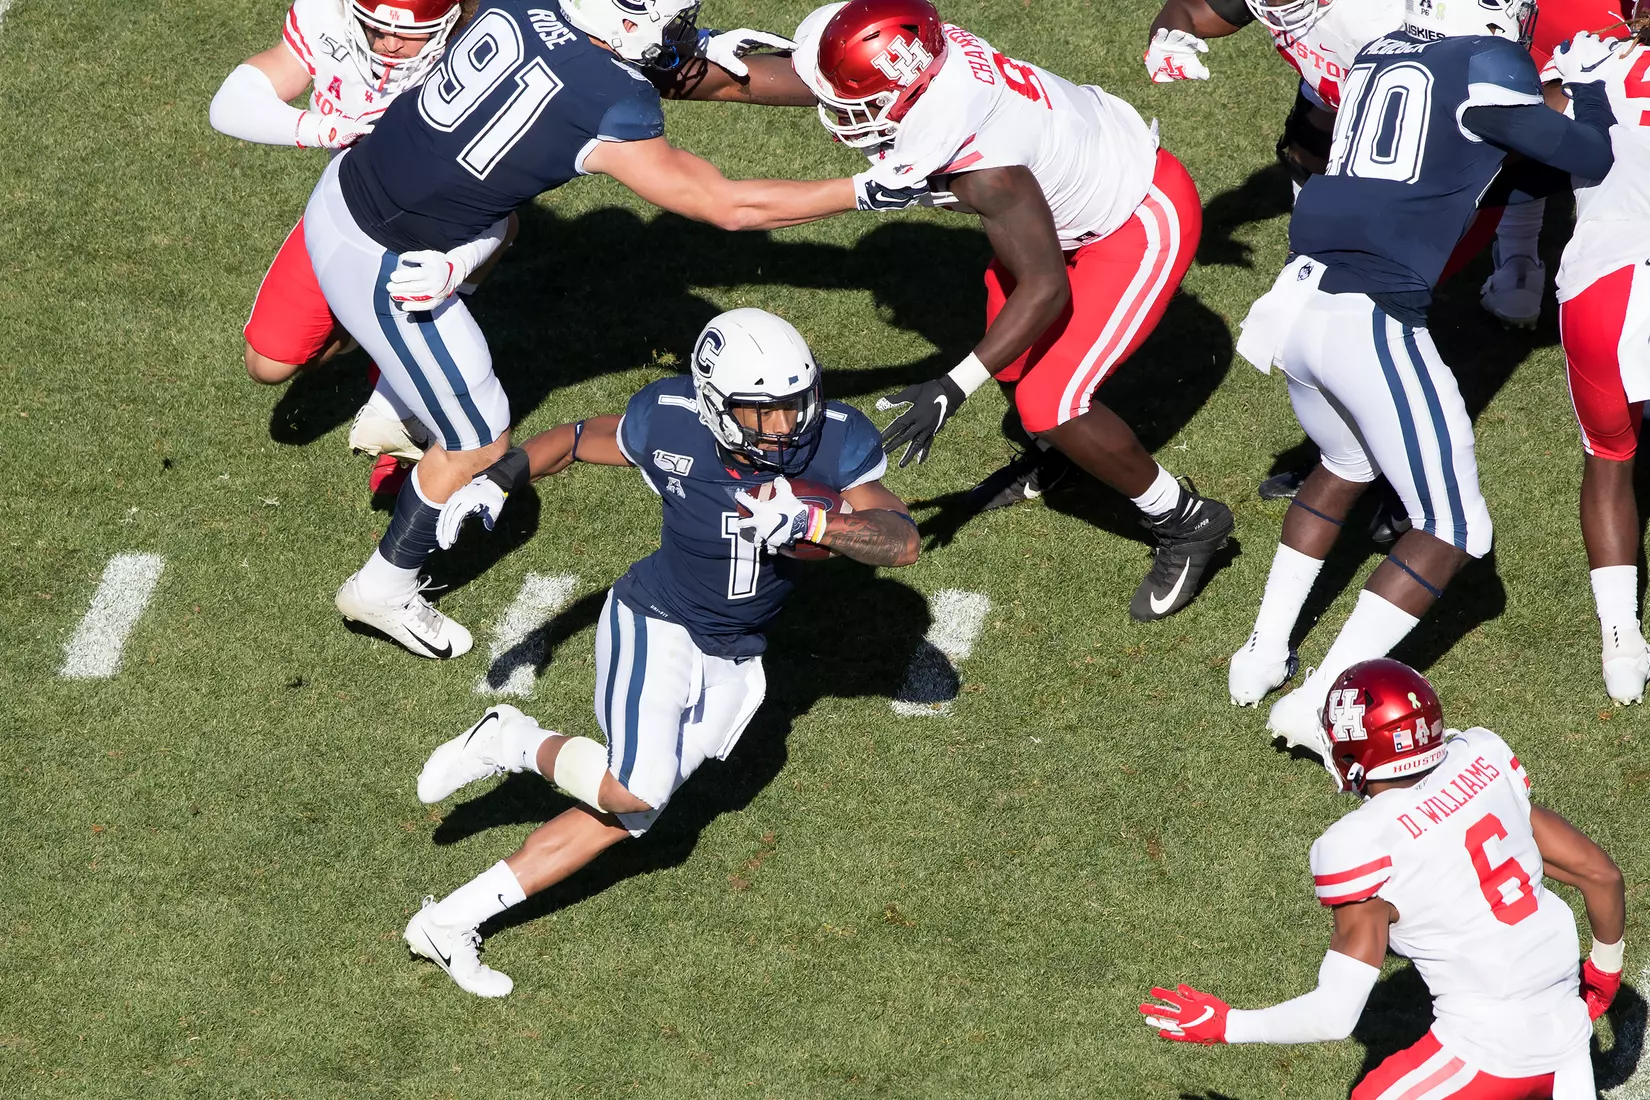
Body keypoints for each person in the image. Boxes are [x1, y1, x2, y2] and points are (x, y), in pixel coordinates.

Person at [305, 0, 942, 660]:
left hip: (356, 186)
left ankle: (396, 399)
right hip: (387, 261)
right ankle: (381, 586)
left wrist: (706, 49)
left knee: (503, 224)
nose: (678, 35)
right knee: (479, 436)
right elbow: (729, 206)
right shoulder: (610, 102)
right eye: (672, 22)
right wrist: (866, 190)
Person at [400, 309, 921, 996]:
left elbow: (900, 539)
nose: (788, 425)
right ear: (715, 404)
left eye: (797, 403)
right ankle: (511, 739)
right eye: (764, 412)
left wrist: (817, 520)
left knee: (630, 814)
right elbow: (582, 438)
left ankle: (450, 921)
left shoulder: (836, 437)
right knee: (635, 788)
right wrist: (504, 475)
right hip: (659, 619)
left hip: (738, 652)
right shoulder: (672, 421)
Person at [1226, 0, 1619, 746]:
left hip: (1296, 299)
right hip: (1367, 317)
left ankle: (1262, 652)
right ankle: (1317, 704)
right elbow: (1585, 158)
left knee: (1343, 463)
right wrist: (1591, 89)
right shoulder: (1487, 60)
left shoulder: (1379, 48)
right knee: (1455, 527)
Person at [794, 0, 1233, 621]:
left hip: (1135, 215)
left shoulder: (981, 165)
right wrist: (689, 67)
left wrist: (951, 385)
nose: (836, 117)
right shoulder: (929, 63)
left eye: (848, 104)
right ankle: (1061, 456)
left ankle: (1188, 520)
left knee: (1049, 401)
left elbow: (1045, 287)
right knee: (1015, 353)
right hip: (1063, 213)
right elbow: (817, 77)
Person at [1142, 660, 1626, 1099]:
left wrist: (1231, 1025)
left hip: (1488, 1055)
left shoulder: (1360, 844)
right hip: (1567, 1040)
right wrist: (1603, 975)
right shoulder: (1483, 759)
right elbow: (1600, 875)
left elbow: (1335, 1014)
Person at [208, 0, 468, 497]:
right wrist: (320, 129)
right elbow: (232, 103)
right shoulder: (327, 18)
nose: (389, 43)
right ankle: (359, 331)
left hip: (439, 223)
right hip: (347, 207)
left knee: (437, 294)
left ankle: (409, 423)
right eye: (375, 27)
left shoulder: (481, 41)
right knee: (268, 363)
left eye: (409, 34)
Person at [1551, 13, 1650, 704]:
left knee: (1610, 460)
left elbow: (1523, 129)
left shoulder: (1591, 62)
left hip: (1605, 282)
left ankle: (1621, 640)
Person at [1145, 0, 1403, 196]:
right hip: (1330, 90)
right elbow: (1187, 10)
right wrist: (1166, 43)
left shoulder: (1385, 15)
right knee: (1311, 140)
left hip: (1408, 103)